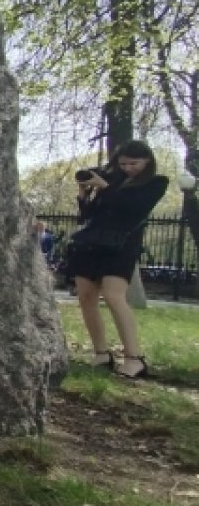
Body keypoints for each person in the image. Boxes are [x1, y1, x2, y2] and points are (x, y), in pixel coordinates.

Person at [65, 140, 168, 379]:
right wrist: (84, 194)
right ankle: (101, 353)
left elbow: (134, 208)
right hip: (91, 244)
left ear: (148, 161)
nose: (128, 168)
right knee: (86, 297)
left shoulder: (156, 183)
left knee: (113, 296)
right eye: (123, 163)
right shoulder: (111, 179)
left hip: (121, 246)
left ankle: (134, 358)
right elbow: (88, 216)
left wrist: (106, 187)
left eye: (134, 163)